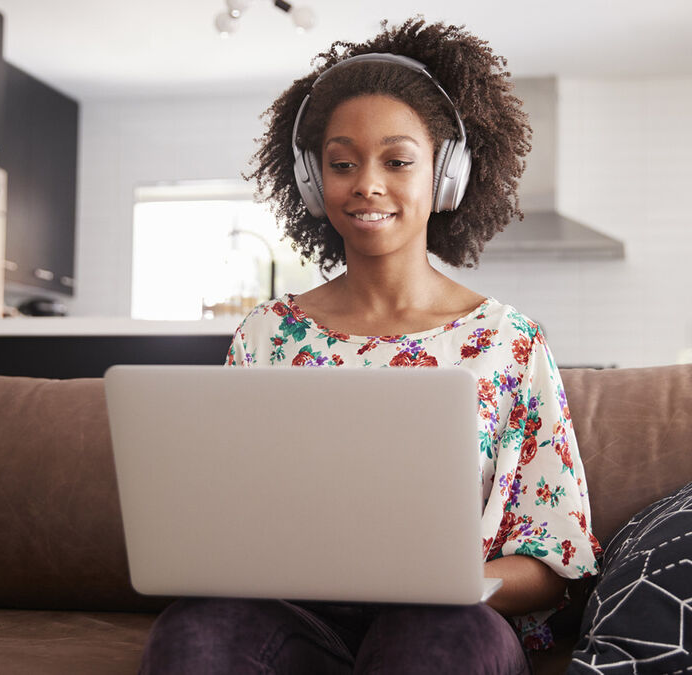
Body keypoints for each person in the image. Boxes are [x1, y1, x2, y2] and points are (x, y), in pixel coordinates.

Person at [140, 17, 600, 674]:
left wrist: (454, 579)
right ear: (311, 181)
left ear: (445, 177)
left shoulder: (509, 343)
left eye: (397, 160)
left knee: (433, 639)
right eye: (342, 162)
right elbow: (225, 517)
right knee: (194, 632)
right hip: (293, 617)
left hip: (448, 622)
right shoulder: (266, 338)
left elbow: (558, 561)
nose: (368, 184)